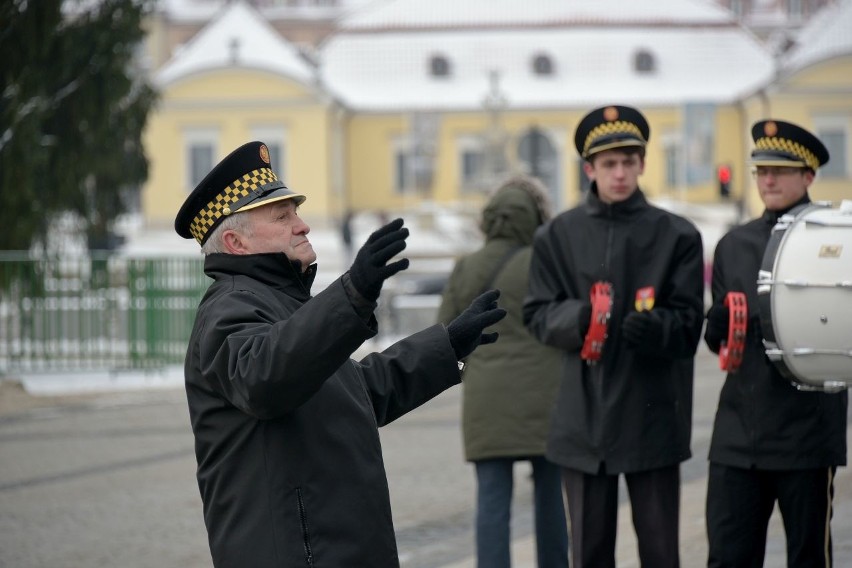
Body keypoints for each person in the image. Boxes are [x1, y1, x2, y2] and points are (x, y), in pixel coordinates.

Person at [173, 140, 507, 567]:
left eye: (295, 211)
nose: (303, 225)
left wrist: (448, 348)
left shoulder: (283, 302)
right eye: (283, 216)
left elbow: (358, 393)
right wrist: (352, 294)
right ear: (237, 242)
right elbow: (266, 378)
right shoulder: (229, 307)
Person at [523, 105, 705, 568]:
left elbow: (689, 326)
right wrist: (581, 318)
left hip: (653, 414)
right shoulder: (556, 236)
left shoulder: (677, 235)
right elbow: (537, 315)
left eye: (629, 162)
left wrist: (657, 328)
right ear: (589, 169)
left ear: (643, 164)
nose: (620, 173)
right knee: (589, 552)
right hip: (583, 420)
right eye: (609, 164)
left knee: (661, 551)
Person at [703, 120, 848, 568]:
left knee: (807, 558)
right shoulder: (733, 244)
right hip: (737, 434)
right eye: (761, 170)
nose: (768, 180)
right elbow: (719, 343)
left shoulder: (836, 240)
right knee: (728, 558)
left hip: (806, 432)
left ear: (808, 176)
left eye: (781, 171)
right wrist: (719, 324)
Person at [437, 175, 569, 568]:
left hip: (486, 400)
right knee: (551, 498)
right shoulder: (549, 262)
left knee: (492, 503)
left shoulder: (466, 267)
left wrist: (466, 369)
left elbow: (444, 332)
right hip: (548, 397)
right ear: (537, 216)